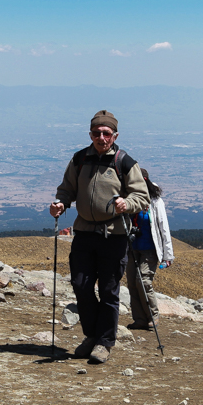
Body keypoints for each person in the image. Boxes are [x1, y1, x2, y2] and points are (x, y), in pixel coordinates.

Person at [50, 110, 150, 364]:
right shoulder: (79, 159)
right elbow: (67, 189)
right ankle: (92, 336)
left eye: (106, 133)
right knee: (81, 285)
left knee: (108, 290)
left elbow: (142, 196)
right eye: (97, 133)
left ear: (115, 135)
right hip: (83, 233)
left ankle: (104, 342)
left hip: (113, 236)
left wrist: (126, 204)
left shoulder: (124, 162)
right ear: (90, 134)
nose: (101, 137)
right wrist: (61, 204)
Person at [125, 168, 174, 331]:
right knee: (132, 283)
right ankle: (139, 319)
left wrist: (168, 255)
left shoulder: (155, 200)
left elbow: (163, 227)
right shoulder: (130, 197)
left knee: (143, 282)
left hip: (150, 249)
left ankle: (153, 316)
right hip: (132, 249)